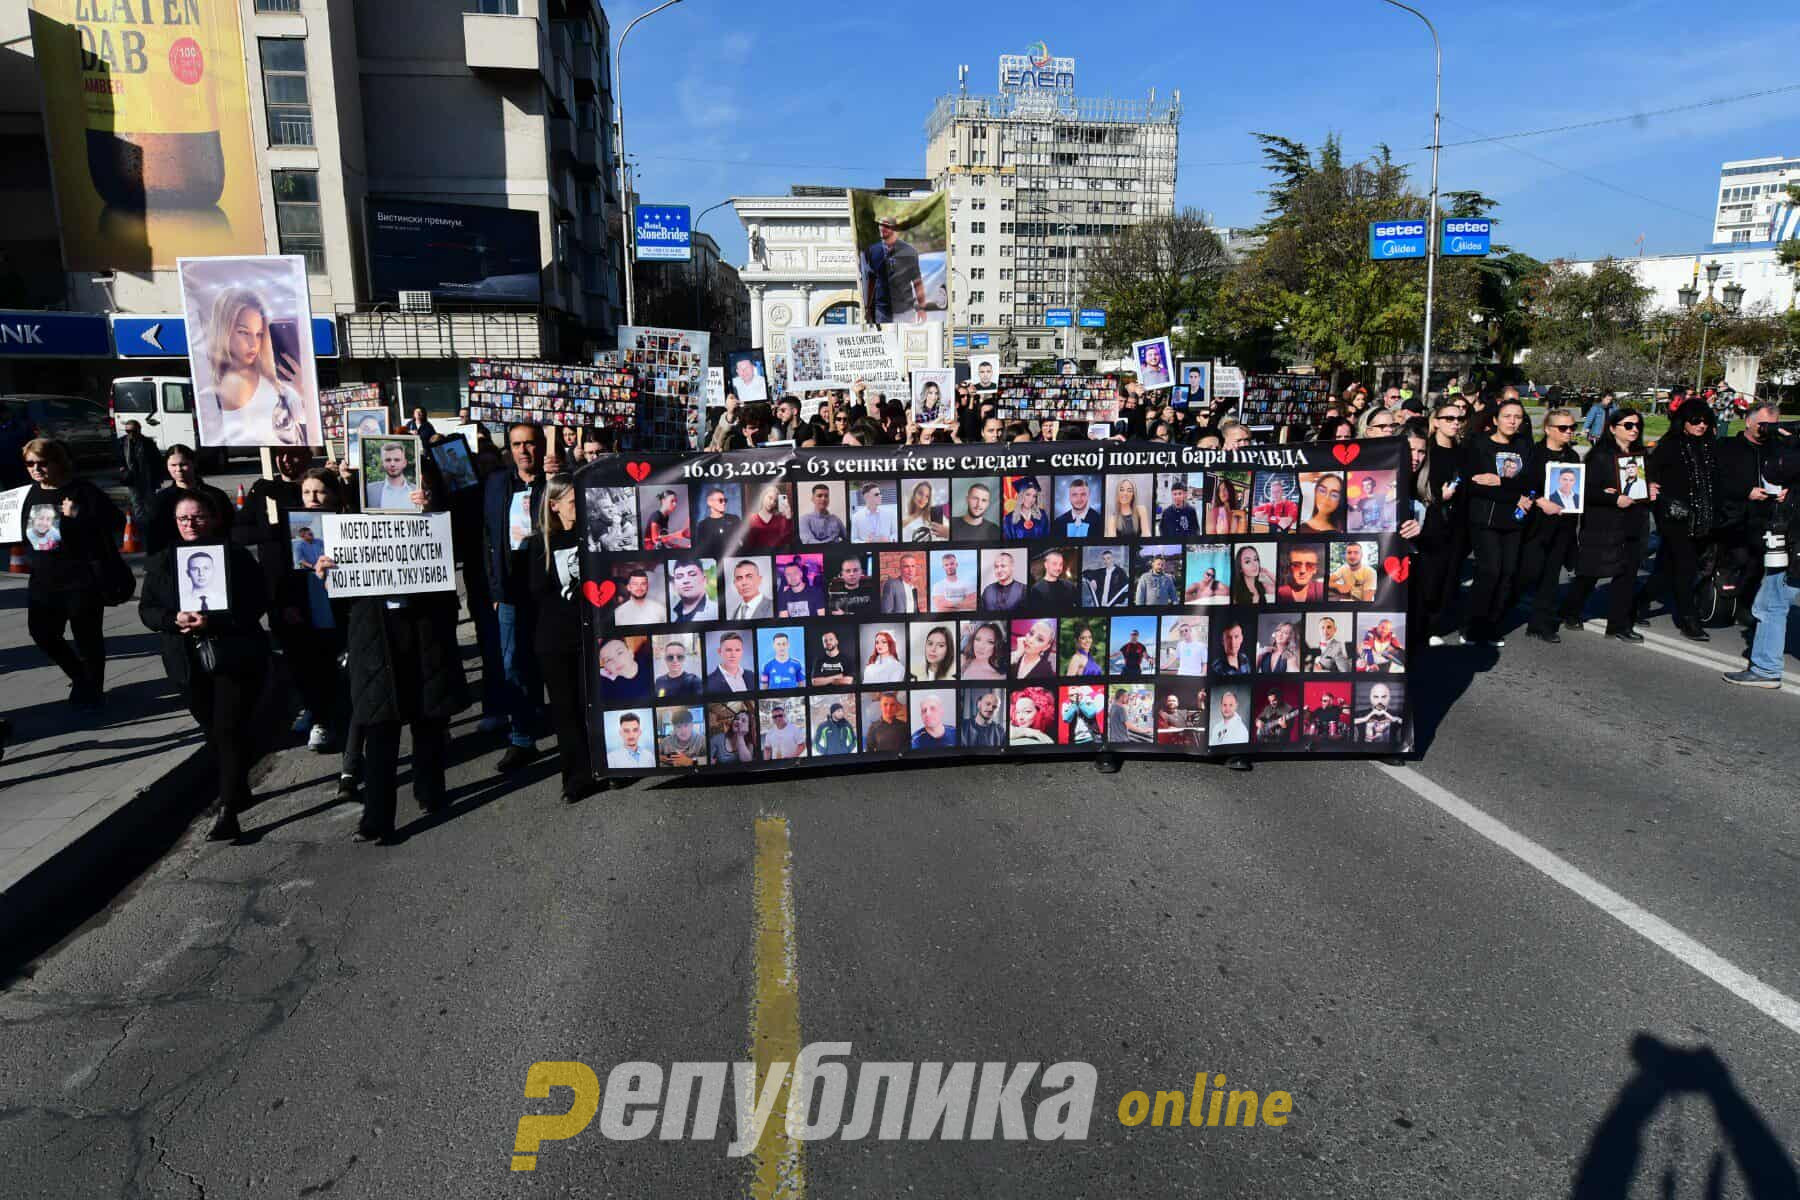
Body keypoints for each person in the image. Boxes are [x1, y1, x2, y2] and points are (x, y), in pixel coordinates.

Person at [141, 493, 269, 840]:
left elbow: (258, 600)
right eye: (183, 519)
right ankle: (237, 785)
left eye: (197, 518)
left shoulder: (236, 557)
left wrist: (215, 621)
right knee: (212, 729)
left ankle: (227, 808)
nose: (190, 525)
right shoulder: (162, 562)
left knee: (228, 729)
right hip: (187, 662)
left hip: (232, 658)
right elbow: (148, 610)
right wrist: (173, 618)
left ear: (212, 519)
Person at [20, 439, 126, 711]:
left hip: (81, 579)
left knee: (87, 638)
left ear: (57, 462)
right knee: (42, 634)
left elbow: (116, 522)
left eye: (42, 463)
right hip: (43, 580)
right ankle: (80, 677)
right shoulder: (28, 495)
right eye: (30, 463)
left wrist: (78, 513)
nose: (36, 469)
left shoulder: (81, 490)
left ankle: (93, 691)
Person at [483, 422, 548, 768]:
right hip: (509, 588)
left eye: (530, 443)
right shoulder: (496, 484)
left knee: (549, 659)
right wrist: (494, 589)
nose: (524, 450)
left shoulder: (555, 480)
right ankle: (522, 738)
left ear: (541, 445)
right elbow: (487, 537)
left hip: (549, 587)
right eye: (517, 444)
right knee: (512, 664)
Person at [1561, 408, 1657, 642]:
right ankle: (1570, 611)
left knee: (1627, 575)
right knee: (1590, 574)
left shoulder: (1641, 455)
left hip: (1634, 522)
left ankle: (1618, 625)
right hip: (1603, 524)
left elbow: (1644, 484)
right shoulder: (1599, 455)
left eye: (1637, 425)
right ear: (1613, 428)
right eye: (1628, 425)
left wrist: (1651, 489)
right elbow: (1586, 491)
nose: (1634, 430)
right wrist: (1613, 498)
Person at [530, 477, 597, 804]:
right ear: (554, 505)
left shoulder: (593, 535)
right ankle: (576, 777)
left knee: (593, 705)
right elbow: (533, 591)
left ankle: (604, 767)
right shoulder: (540, 544)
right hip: (555, 640)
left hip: (589, 636)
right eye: (572, 502)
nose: (578, 507)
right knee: (565, 711)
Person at [1641, 401, 1720, 641]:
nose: (1701, 425)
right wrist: (1651, 485)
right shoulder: (1669, 445)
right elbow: (1647, 470)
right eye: (1695, 420)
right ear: (1683, 421)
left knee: (1665, 569)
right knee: (1685, 569)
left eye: (1705, 420)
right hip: (1675, 517)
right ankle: (1688, 618)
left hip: (1703, 517)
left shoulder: (1710, 445)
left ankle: (1636, 604)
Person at [1460, 398, 1532, 647]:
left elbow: (1529, 481)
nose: (1513, 421)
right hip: (1485, 518)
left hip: (1514, 520)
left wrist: (1501, 482)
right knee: (1489, 571)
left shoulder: (1524, 445)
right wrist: (1514, 492)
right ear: (1495, 420)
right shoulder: (1480, 445)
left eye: (1518, 417)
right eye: (1507, 416)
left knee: (1508, 573)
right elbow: (1478, 485)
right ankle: (1472, 626)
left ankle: (1492, 625)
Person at [196, 287, 309, 446]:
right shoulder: (211, 389)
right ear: (223, 331)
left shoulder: (278, 387)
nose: (253, 344)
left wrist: (303, 392)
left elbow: (305, 426)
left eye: (259, 334)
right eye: (243, 332)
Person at [144, 444, 235, 555]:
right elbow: (153, 537)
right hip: (173, 557)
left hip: (214, 554)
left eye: (183, 464)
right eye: (173, 465)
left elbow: (229, 528)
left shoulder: (216, 495)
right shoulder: (161, 500)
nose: (178, 469)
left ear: (194, 463)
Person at [862, 215, 925, 324]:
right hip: (882, 311)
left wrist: (922, 308)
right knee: (884, 340)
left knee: (904, 340)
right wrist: (868, 308)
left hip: (905, 311)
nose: (882, 228)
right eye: (880, 225)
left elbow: (917, 282)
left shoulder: (909, 252)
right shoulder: (872, 251)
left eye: (886, 226)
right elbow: (871, 281)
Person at [117, 419, 165, 525]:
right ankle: (141, 523)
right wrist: (122, 467)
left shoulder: (147, 442)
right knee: (136, 501)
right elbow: (117, 457)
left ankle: (152, 523)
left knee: (150, 502)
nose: (130, 434)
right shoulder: (122, 442)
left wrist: (159, 476)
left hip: (147, 476)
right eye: (128, 431)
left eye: (133, 431)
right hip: (132, 477)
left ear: (139, 430)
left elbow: (157, 460)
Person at [364, 441, 418, 510]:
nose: (392, 464)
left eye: (397, 460)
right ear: (383, 463)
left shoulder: (417, 491)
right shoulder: (369, 490)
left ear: (404, 463)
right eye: (388, 460)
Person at [692, 486, 742, 558]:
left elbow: (742, 541)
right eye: (720, 500)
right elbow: (702, 551)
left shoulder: (734, 519)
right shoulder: (703, 525)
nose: (724, 503)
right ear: (709, 502)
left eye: (725, 500)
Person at [742, 484, 793, 549]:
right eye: (770, 498)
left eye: (775, 501)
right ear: (763, 496)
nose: (772, 502)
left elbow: (787, 540)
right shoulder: (751, 518)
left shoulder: (780, 519)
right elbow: (748, 543)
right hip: (758, 555)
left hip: (776, 553)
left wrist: (788, 517)